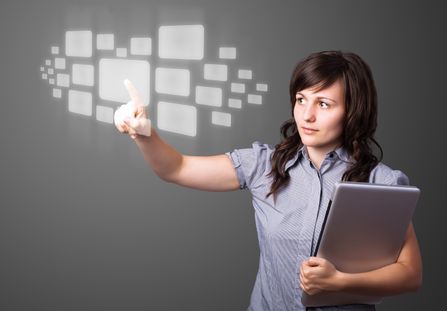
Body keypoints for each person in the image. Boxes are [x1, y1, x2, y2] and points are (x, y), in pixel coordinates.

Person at [114, 51, 422, 311]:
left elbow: (410, 274)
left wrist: (340, 282)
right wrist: (144, 134)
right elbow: (176, 168)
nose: (307, 115)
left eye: (324, 104)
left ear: (352, 111)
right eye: (301, 100)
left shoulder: (381, 181)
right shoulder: (264, 164)